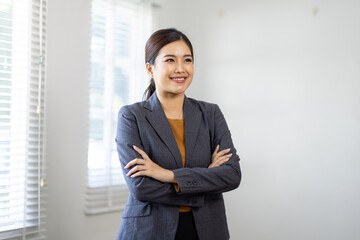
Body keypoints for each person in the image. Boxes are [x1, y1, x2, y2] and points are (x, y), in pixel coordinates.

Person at [115, 28, 241, 240]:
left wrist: (166, 175)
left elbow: (231, 175)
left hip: (207, 229)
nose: (181, 69)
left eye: (188, 60)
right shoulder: (132, 116)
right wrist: (206, 179)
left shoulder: (210, 114)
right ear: (150, 68)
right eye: (171, 60)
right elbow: (141, 187)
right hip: (150, 230)